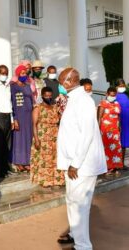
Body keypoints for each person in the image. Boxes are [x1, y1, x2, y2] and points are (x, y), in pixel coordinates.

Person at [57, 68, 107, 250]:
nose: (60, 85)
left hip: (81, 165)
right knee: (72, 200)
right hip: (73, 162)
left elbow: (86, 135)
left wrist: (75, 164)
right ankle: (75, 235)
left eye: (62, 81)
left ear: (70, 81)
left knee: (80, 206)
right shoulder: (73, 100)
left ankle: (83, 246)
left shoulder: (84, 101)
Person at [30, 87, 64, 188]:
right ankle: (45, 181)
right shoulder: (37, 108)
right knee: (44, 159)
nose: (48, 97)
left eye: (50, 96)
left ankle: (57, 180)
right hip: (42, 137)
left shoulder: (55, 107)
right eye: (46, 96)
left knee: (55, 158)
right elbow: (34, 124)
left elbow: (61, 120)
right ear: (42, 96)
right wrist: (36, 139)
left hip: (55, 136)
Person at [11, 65, 34, 172]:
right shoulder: (14, 86)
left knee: (28, 137)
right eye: (22, 73)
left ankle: (27, 161)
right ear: (18, 74)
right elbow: (12, 103)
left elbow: (32, 99)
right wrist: (14, 118)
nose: (24, 75)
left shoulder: (28, 85)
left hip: (29, 115)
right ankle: (18, 161)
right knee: (19, 138)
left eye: (25, 73)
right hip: (19, 115)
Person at [98, 87, 123, 173]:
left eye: (114, 95)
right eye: (111, 95)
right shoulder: (103, 103)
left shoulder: (117, 103)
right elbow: (99, 117)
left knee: (116, 148)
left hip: (115, 130)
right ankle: (107, 167)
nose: (112, 96)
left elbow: (118, 116)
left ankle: (116, 166)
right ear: (107, 94)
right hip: (105, 130)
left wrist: (119, 126)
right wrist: (97, 129)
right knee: (106, 148)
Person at [115, 79, 129, 167]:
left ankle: (122, 163)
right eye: (120, 86)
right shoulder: (113, 96)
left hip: (126, 123)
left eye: (123, 86)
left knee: (124, 144)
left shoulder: (126, 96)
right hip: (118, 123)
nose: (122, 87)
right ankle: (117, 163)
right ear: (116, 87)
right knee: (118, 144)